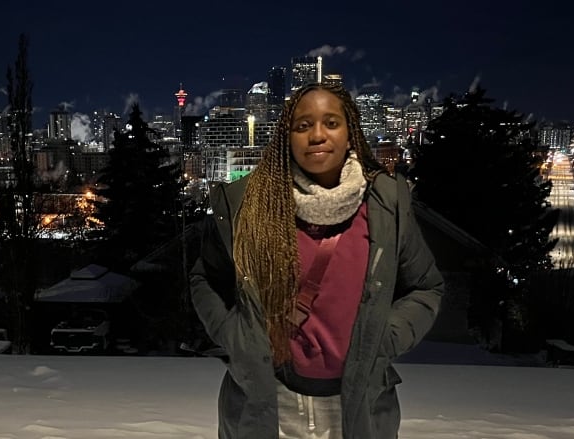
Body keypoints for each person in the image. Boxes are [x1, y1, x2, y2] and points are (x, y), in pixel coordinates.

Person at [189, 82, 444, 438]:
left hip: (359, 406)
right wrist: (235, 336)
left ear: (351, 132)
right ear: (286, 137)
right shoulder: (248, 203)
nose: (317, 135)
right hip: (266, 404)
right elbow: (206, 280)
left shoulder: (386, 204)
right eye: (303, 125)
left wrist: (382, 338)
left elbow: (425, 287)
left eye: (331, 123)